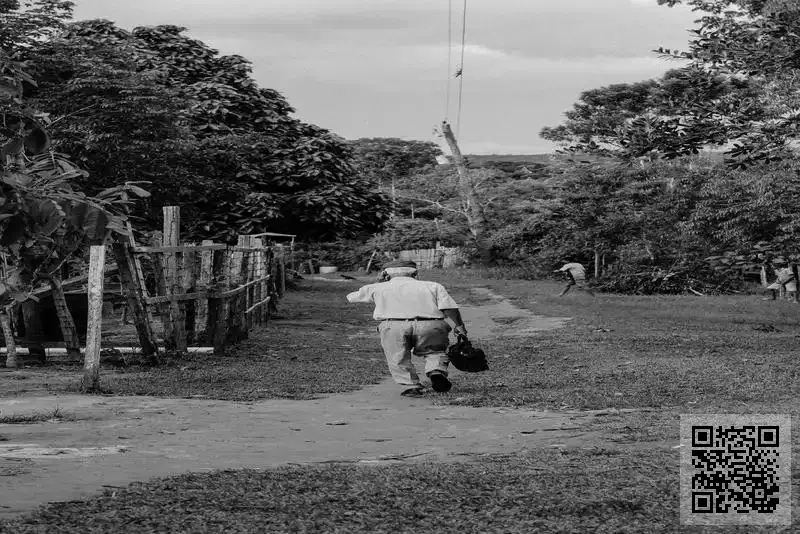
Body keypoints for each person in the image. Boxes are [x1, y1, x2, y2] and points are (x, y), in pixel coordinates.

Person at [346, 259, 468, 397]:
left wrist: (379, 283)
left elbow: (352, 297)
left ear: (385, 274)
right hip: (430, 324)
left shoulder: (377, 288)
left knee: (397, 357)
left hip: (393, 326)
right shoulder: (433, 286)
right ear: (415, 273)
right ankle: (436, 371)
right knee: (435, 351)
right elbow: (449, 307)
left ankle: (413, 386)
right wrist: (459, 325)